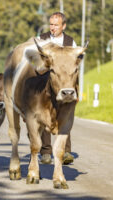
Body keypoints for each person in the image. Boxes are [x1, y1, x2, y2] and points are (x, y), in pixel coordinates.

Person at [28, 12, 76, 165]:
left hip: (65, 85)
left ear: (64, 26)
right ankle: (46, 152)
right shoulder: (42, 39)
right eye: (51, 24)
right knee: (45, 118)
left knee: (65, 116)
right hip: (45, 85)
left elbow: (75, 61)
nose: (52, 28)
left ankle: (66, 151)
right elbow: (36, 63)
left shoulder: (70, 41)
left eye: (56, 25)